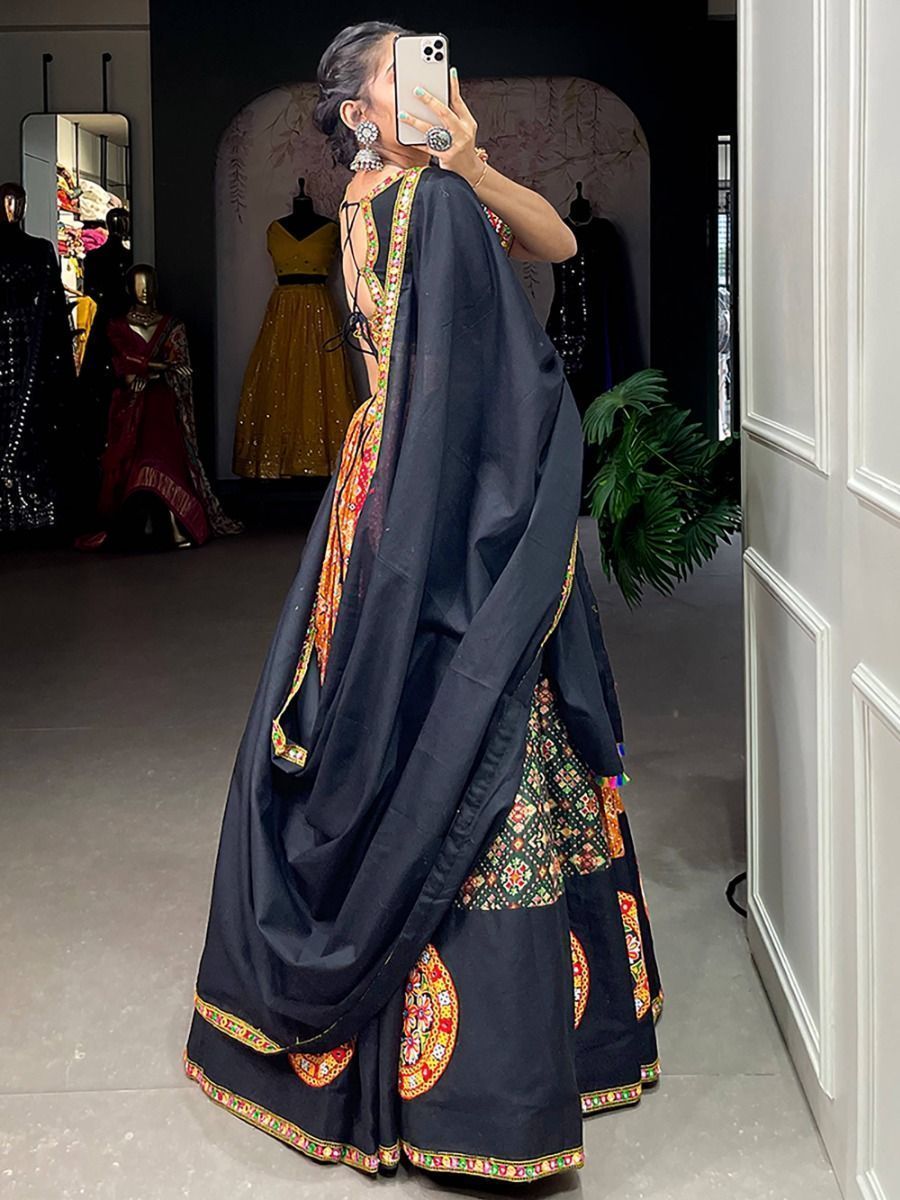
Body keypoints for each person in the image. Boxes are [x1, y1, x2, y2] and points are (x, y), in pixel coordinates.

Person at [183, 21, 663, 1184]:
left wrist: (472, 158)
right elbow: (499, 372)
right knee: (476, 706)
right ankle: (484, 1083)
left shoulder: (387, 197)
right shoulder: (431, 206)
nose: (438, 83)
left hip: (381, 482)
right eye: (409, 73)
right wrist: (508, 494)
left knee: (381, 713)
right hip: (448, 487)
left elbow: (553, 241)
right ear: (360, 111)